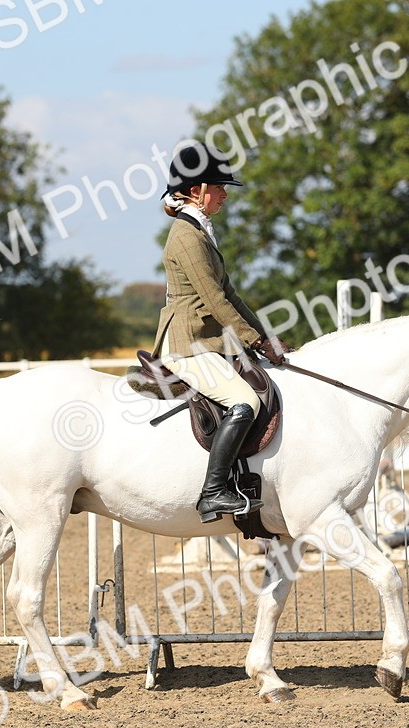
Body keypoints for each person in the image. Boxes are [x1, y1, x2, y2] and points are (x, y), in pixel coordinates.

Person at [152, 143, 287, 524]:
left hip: (207, 342)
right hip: (188, 346)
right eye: (220, 187)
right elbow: (214, 300)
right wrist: (256, 341)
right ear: (196, 190)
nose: (226, 195)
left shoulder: (199, 229)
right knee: (245, 402)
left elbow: (230, 294)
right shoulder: (186, 236)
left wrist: (264, 336)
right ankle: (213, 491)